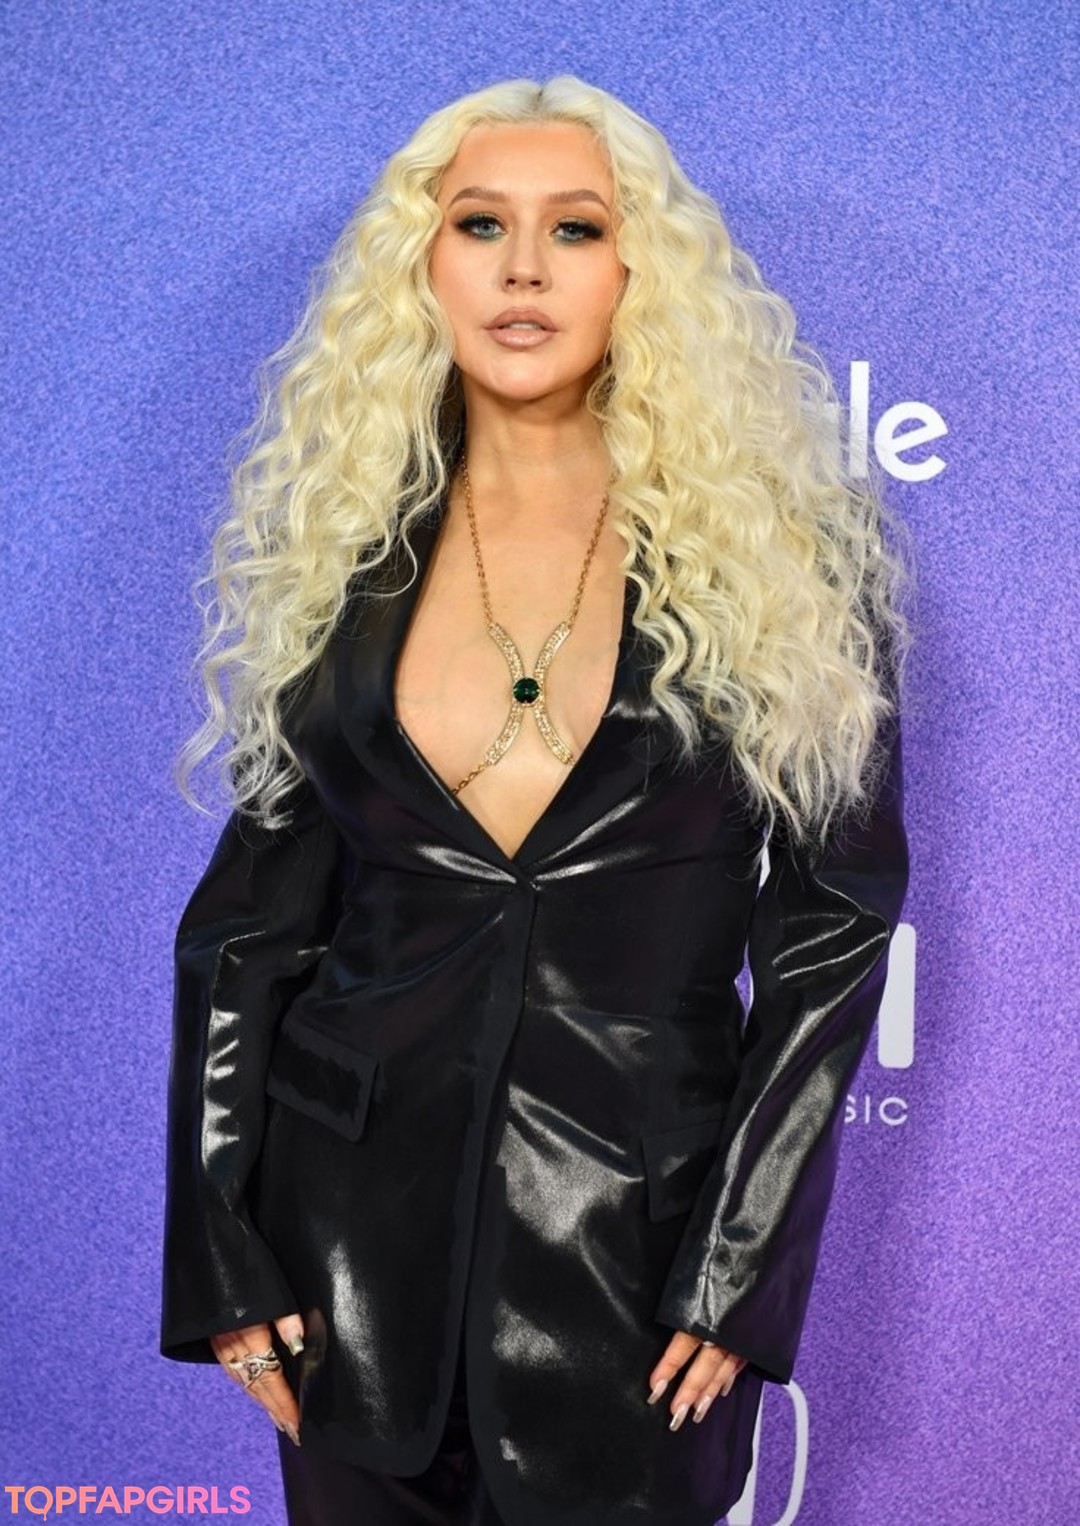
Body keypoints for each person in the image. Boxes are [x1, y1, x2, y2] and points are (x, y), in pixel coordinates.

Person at [160, 75, 911, 1526]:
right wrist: (219, 1247)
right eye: (478, 224)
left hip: (638, 1271)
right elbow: (245, 932)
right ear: (421, 265)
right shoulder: (338, 550)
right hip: (341, 1275)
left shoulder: (788, 562)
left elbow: (833, 928)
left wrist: (739, 1265)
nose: (522, 268)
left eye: (574, 227)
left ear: (641, 270)